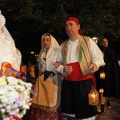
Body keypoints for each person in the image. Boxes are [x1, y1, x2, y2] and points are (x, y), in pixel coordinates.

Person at [54, 17, 105, 120]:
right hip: (68, 85)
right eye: (66, 25)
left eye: (71, 24)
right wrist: (63, 69)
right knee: (71, 115)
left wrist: (95, 64)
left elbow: (99, 57)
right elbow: (56, 63)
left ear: (78, 26)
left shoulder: (87, 41)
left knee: (88, 115)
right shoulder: (63, 45)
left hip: (84, 83)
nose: (68, 27)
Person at [29, 33, 62, 120]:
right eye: (43, 40)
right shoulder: (41, 53)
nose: (45, 42)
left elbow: (60, 66)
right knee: (39, 101)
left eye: (48, 40)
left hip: (53, 79)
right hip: (41, 80)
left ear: (52, 41)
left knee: (51, 102)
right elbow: (40, 68)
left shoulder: (57, 52)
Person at [95, 38, 120, 112]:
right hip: (100, 73)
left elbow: (114, 62)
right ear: (101, 43)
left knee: (108, 87)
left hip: (109, 73)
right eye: (103, 41)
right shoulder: (98, 51)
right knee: (101, 88)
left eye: (106, 41)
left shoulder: (112, 51)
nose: (105, 42)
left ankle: (108, 102)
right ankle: (102, 106)